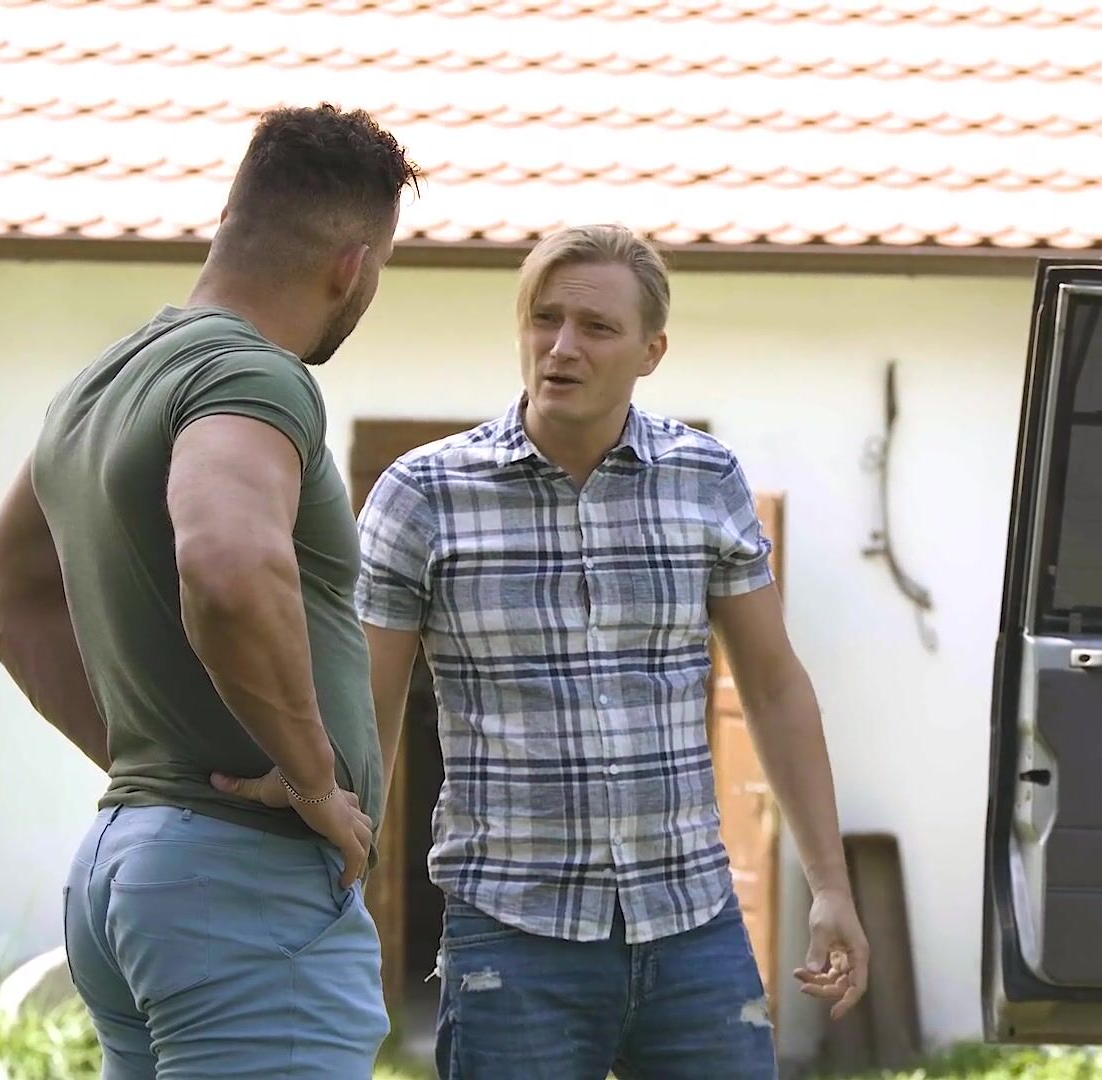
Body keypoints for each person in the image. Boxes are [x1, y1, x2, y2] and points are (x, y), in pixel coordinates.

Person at [354, 223, 870, 1079]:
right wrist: (342, 883)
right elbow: (366, 708)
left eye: (595, 327)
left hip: (693, 925)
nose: (562, 347)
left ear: (650, 351)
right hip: (511, 932)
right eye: (544, 319)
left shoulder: (704, 478)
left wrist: (831, 887)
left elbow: (775, 687)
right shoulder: (423, 494)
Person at [0, 104, 422, 1079]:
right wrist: (311, 781)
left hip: (131, 864)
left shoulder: (99, 385)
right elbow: (226, 564)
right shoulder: (251, 374)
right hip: (240, 885)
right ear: (351, 266)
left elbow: (7, 587)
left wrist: (157, 766)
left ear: (230, 221)